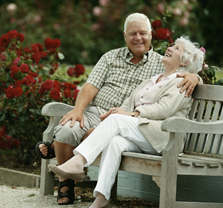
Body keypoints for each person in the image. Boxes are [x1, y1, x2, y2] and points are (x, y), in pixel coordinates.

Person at [35, 13, 201, 205]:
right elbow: (93, 87)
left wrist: (196, 77)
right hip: (107, 116)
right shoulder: (120, 61)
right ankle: (99, 197)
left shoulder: (164, 66)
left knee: (113, 124)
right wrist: (80, 111)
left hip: (146, 128)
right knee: (79, 131)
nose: (138, 38)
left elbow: (175, 91)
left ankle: (75, 160)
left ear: (150, 35)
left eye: (143, 33)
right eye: (133, 34)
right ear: (124, 36)